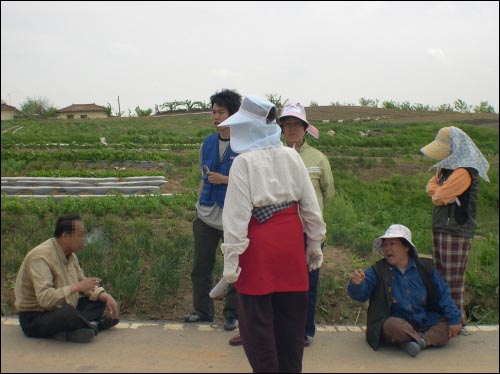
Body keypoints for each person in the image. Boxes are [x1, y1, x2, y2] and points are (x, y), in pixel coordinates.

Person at [214, 95, 326, 372]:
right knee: (291, 323)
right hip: (290, 243)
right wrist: (314, 244)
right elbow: (311, 207)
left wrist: (231, 261)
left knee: (257, 326)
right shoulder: (291, 155)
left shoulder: (243, 163)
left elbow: (236, 217)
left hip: (258, 247)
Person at [347, 224, 462, 357]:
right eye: (385, 245)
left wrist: (454, 320)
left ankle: (416, 342)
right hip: (397, 323)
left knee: (447, 323)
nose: (387, 248)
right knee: (392, 326)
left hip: (424, 320)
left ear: (406, 247)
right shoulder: (377, 271)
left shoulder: (425, 267)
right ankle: (423, 340)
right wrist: (357, 284)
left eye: (392, 244)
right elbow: (360, 295)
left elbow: (443, 293)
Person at [183, 89, 242, 331]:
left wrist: (226, 180)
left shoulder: (244, 145)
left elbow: (252, 182)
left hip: (233, 217)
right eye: (214, 112)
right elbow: (203, 178)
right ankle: (203, 311)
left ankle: (232, 314)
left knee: (234, 268)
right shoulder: (207, 143)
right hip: (206, 215)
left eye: (221, 112)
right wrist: (198, 206)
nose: (215, 117)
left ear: (233, 114)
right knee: (201, 267)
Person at [420, 126, 490, 324]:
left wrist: (440, 192)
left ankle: (454, 321)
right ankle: (446, 318)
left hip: (456, 230)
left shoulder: (463, 172)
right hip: (444, 227)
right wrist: (440, 192)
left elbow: (438, 196)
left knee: (452, 278)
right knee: (442, 275)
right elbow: (431, 188)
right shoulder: (447, 169)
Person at [14, 213, 120, 343]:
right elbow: (45, 299)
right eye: (80, 235)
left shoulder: (70, 255)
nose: (84, 239)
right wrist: (76, 287)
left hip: (61, 307)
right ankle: (93, 326)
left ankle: (77, 328)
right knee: (68, 313)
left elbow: (82, 283)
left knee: (99, 300)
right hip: (36, 317)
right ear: (65, 236)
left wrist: (104, 296)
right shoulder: (40, 258)